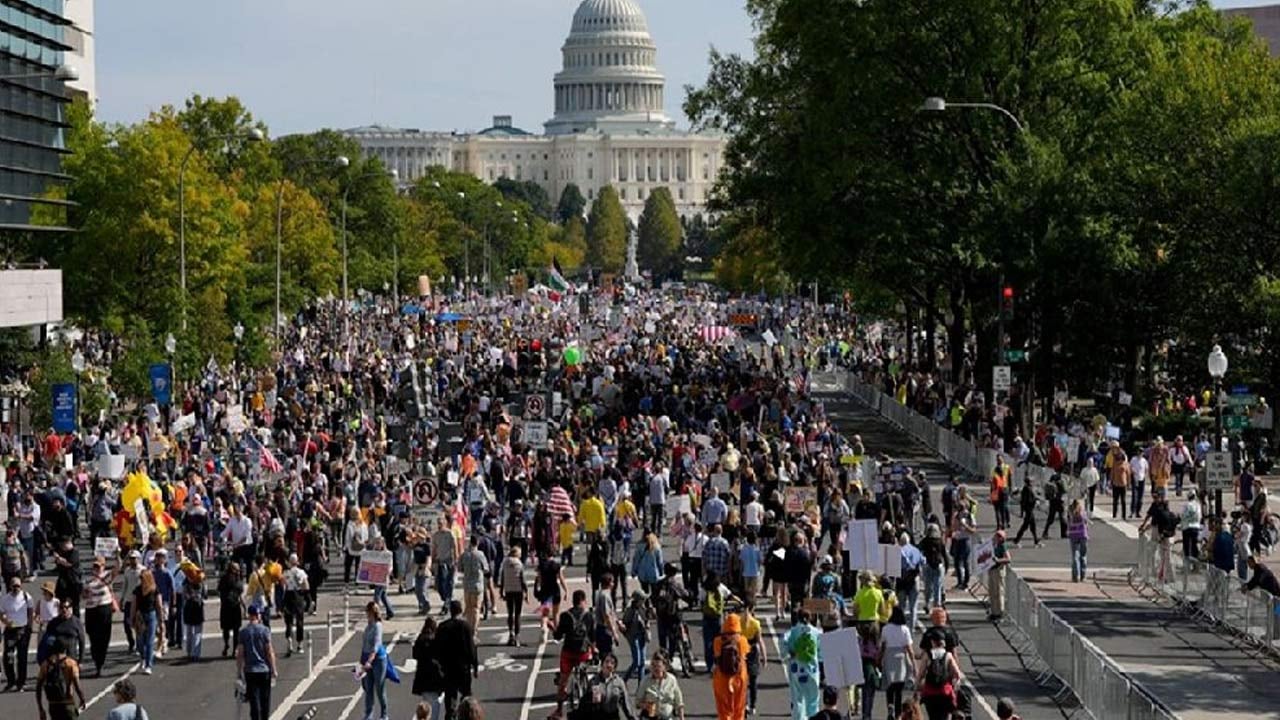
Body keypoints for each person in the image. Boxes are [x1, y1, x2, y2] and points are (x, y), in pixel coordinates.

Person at [553, 590, 595, 719]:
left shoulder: (566, 615)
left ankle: (559, 710)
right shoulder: (589, 616)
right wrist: (594, 649)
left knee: (563, 681)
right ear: (583, 600)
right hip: (583, 653)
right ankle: (588, 698)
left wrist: (552, 628)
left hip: (568, 653)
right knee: (586, 676)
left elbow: (558, 636)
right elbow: (592, 636)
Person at [436, 600, 479, 720]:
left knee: (450, 697)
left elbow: (437, 649)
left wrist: (440, 665)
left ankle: (451, 716)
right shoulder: (465, 626)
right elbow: (472, 648)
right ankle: (467, 715)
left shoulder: (442, 627)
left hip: (448, 668)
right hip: (463, 668)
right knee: (466, 695)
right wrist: (475, 666)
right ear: (460, 611)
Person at [235, 604, 277, 720]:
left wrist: (239, 672)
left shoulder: (243, 632)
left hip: (250, 670)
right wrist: (274, 669)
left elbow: (240, 654)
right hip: (264, 670)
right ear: (258, 615)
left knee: (254, 701)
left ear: (249, 616)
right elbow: (269, 651)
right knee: (265, 701)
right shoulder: (264, 630)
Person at [784, 610, 823, 720]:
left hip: (797, 669)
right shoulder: (816, 632)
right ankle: (813, 718)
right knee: (813, 699)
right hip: (812, 669)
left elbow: (784, 642)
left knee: (797, 699)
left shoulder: (793, 631)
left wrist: (789, 652)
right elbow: (821, 651)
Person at [80, 556, 115, 676]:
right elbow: (83, 595)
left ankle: (100, 662)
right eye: (94, 566)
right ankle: (96, 660)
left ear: (103, 567)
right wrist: (85, 593)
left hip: (104, 608)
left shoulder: (107, 576)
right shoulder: (87, 579)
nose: (96, 568)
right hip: (91, 609)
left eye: (98, 566)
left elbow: (118, 568)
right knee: (92, 636)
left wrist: (118, 555)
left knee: (104, 637)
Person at [711, 613, 749, 720]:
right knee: (739, 708)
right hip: (739, 678)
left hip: (721, 678)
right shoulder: (742, 640)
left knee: (723, 709)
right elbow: (745, 656)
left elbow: (716, 656)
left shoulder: (717, 641)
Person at [879, 605, 915, 719]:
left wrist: (879, 659)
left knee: (889, 685)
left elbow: (883, 645)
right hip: (900, 657)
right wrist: (913, 663)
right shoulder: (904, 629)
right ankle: (898, 714)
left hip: (889, 656)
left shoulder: (886, 628)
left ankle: (890, 706)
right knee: (899, 688)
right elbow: (909, 648)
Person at [575, 652, 635, 719]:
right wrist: (591, 700)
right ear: (602, 664)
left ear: (614, 668)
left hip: (613, 716)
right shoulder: (594, 681)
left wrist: (633, 718)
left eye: (612, 663)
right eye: (606, 662)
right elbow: (584, 704)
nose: (609, 665)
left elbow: (626, 704)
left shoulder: (619, 682)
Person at [36, 638, 84, 720]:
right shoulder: (70, 663)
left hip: (53, 704)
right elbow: (77, 685)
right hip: (68, 703)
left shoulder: (46, 665)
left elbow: (38, 687)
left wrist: (40, 708)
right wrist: (82, 698)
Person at [916, 631, 961, 720]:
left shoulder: (927, 655)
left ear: (932, 642)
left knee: (933, 716)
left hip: (930, 692)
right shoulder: (948, 655)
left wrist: (917, 687)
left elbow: (920, 674)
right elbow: (957, 674)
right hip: (944, 691)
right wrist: (954, 685)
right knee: (944, 716)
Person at [1, 575, 34, 691]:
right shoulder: (5, 599)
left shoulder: (26, 597)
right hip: (10, 630)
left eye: (18, 586)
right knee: (8, 657)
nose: (16, 588)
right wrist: (5, 621)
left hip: (23, 630)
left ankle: (21, 682)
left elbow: (31, 611)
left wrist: (30, 626)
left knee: (22, 657)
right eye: (14, 586)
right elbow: (1, 613)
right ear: (10, 586)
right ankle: (11, 681)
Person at [358, 601, 390, 720]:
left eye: (368, 612)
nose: (366, 614)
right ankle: (368, 714)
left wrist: (369, 662)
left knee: (379, 688)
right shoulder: (368, 625)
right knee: (367, 688)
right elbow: (365, 644)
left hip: (378, 660)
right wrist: (361, 662)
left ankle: (384, 713)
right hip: (366, 658)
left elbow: (376, 646)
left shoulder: (378, 626)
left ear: (372, 612)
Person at [411, 617, 445, 720]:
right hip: (435, 676)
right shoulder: (436, 639)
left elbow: (415, 655)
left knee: (426, 701)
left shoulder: (420, 638)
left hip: (422, 675)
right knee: (435, 703)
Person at [636, 652, 684, 720]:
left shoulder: (671, 680)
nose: (655, 669)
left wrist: (682, 718)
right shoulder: (645, 680)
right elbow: (637, 703)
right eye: (653, 666)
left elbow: (679, 703)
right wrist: (646, 705)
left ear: (664, 667)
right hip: (650, 717)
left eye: (658, 666)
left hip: (667, 717)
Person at [459, 535, 491, 637]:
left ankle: (469, 630)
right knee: (476, 609)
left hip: (467, 584)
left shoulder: (464, 554)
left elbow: (460, 568)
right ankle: (474, 631)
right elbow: (486, 568)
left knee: (468, 608)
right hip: (477, 584)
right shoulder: (480, 555)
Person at [740, 602, 767, 715]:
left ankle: (744, 704)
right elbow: (760, 641)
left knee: (743, 681)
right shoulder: (756, 623)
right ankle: (753, 706)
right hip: (753, 652)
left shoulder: (739, 622)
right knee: (753, 681)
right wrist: (764, 657)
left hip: (741, 652)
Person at [279, 554, 308, 657]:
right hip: (298, 596)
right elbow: (306, 586)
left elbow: (282, 585)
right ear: (297, 561)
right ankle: (299, 645)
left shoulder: (285, 573)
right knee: (299, 620)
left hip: (288, 596)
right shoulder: (301, 572)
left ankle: (289, 642)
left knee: (289, 621)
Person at [621, 590, 653, 681]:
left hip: (642, 635)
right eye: (643, 599)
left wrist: (647, 623)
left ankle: (641, 684)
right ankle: (624, 680)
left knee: (642, 662)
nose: (644, 601)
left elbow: (648, 619)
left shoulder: (643, 609)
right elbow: (624, 624)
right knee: (636, 662)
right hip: (633, 637)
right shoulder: (630, 611)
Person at [500, 546, 528, 647]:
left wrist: (501, 590)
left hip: (508, 590)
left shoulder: (505, 563)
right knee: (518, 614)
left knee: (510, 613)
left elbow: (502, 577)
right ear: (516, 554)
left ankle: (511, 633)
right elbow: (522, 579)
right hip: (518, 590)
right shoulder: (519, 564)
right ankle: (517, 636)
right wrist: (526, 591)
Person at [217, 563, 246, 657]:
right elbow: (240, 590)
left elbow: (219, 590)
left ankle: (229, 645)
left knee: (228, 628)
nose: (238, 571)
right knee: (235, 629)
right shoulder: (236, 579)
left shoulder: (224, 578)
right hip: (233, 605)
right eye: (236, 569)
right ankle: (233, 648)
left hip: (227, 605)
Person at [987, 531, 1012, 620]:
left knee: (999, 592)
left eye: (999, 536)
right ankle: (994, 612)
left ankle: (1000, 612)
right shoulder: (992, 544)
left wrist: (998, 560)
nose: (997, 537)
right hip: (992, 569)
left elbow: (1008, 559)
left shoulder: (1002, 546)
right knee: (992, 591)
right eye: (997, 535)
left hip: (999, 569)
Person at [1011, 477, 1042, 548]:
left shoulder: (1027, 489)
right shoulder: (1027, 489)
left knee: (1032, 526)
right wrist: (1035, 502)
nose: (1032, 483)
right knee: (1025, 526)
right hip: (1029, 510)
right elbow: (1028, 500)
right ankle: (1016, 540)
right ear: (1029, 482)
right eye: (1031, 482)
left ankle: (1036, 541)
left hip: (1029, 510)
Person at [1067, 499, 1089, 583]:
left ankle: (1075, 576)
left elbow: (1068, 522)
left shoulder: (1070, 512)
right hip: (1083, 535)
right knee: (1083, 555)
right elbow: (1086, 522)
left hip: (1073, 535)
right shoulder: (1082, 513)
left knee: (1075, 555)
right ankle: (1083, 575)